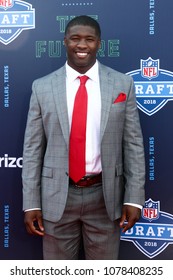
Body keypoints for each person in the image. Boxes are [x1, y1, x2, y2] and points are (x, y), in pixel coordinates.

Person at [22, 15, 145, 260]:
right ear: (65, 41)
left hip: (105, 197)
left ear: (99, 43)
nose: (82, 45)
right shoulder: (42, 87)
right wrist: (31, 203)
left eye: (89, 39)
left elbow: (133, 144)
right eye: (75, 38)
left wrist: (134, 198)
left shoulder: (123, 84)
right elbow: (33, 149)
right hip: (56, 197)